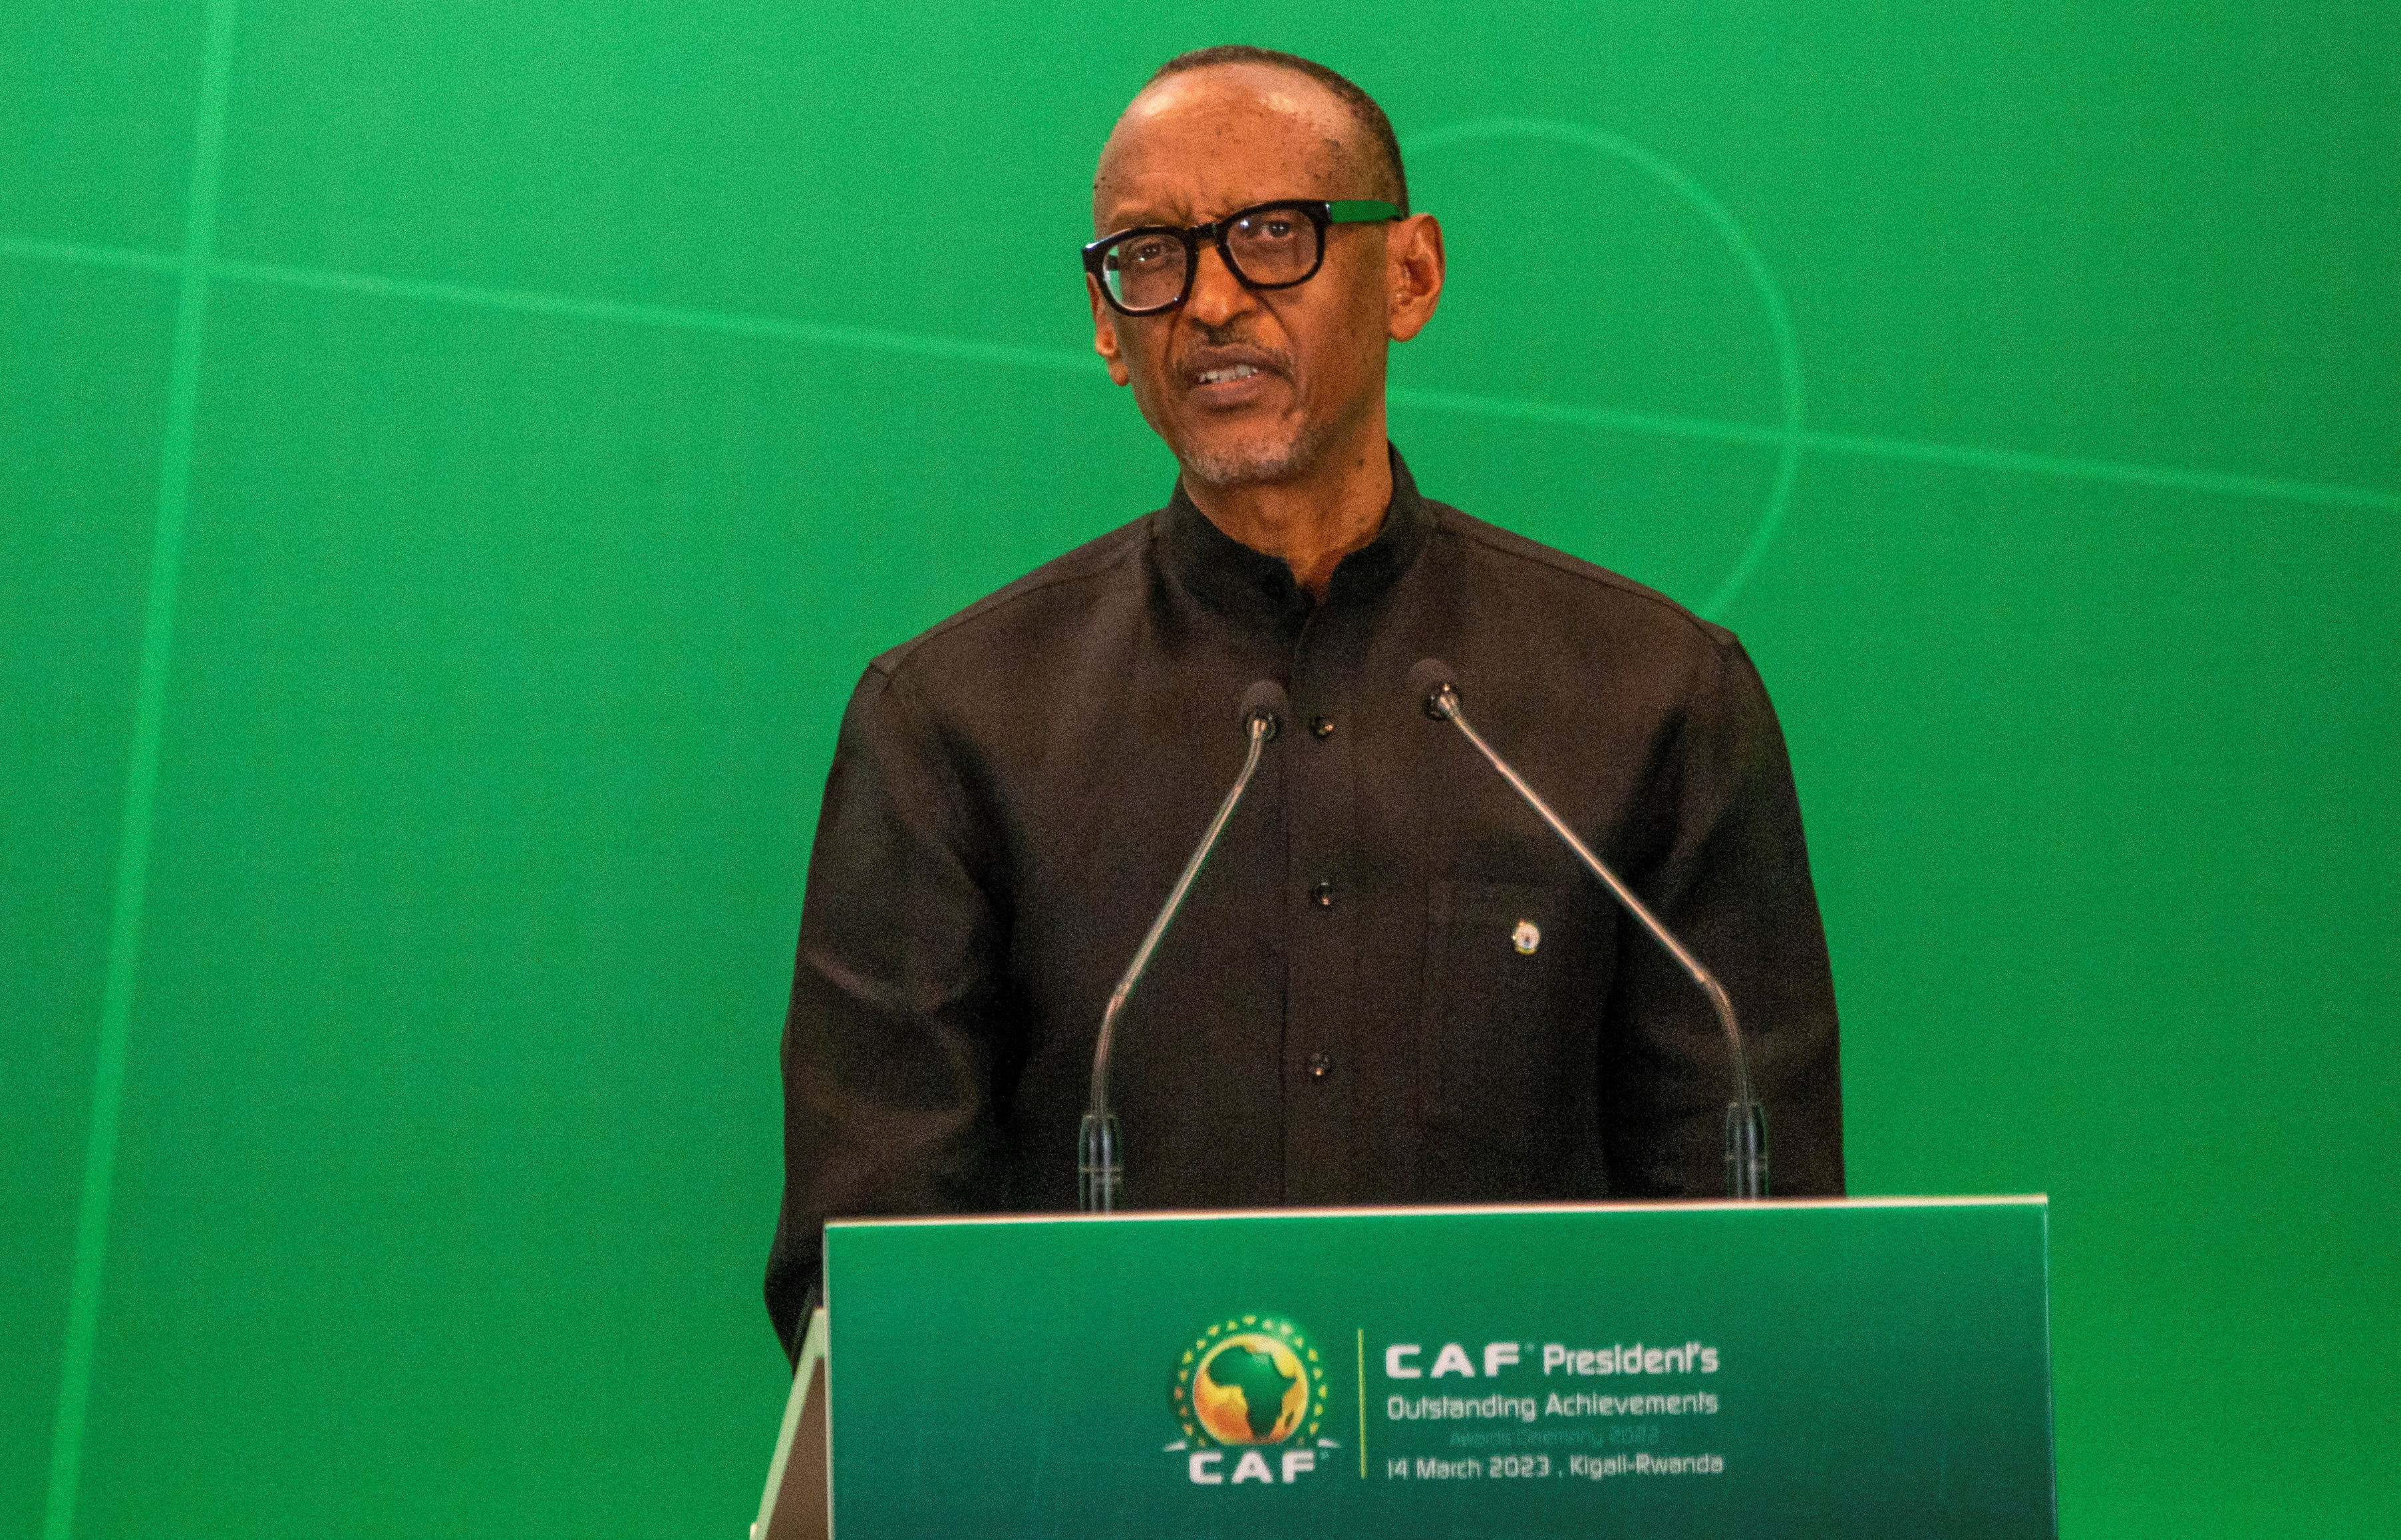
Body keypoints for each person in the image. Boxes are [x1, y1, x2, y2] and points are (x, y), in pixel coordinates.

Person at [764, 46, 1841, 1360]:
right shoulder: (950, 720)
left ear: (1409, 274)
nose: (1209, 301)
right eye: (1149, 256)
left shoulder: (1652, 695)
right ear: (1106, 328)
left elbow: (1758, 1237)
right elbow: (868, 1270)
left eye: (1271, 235)